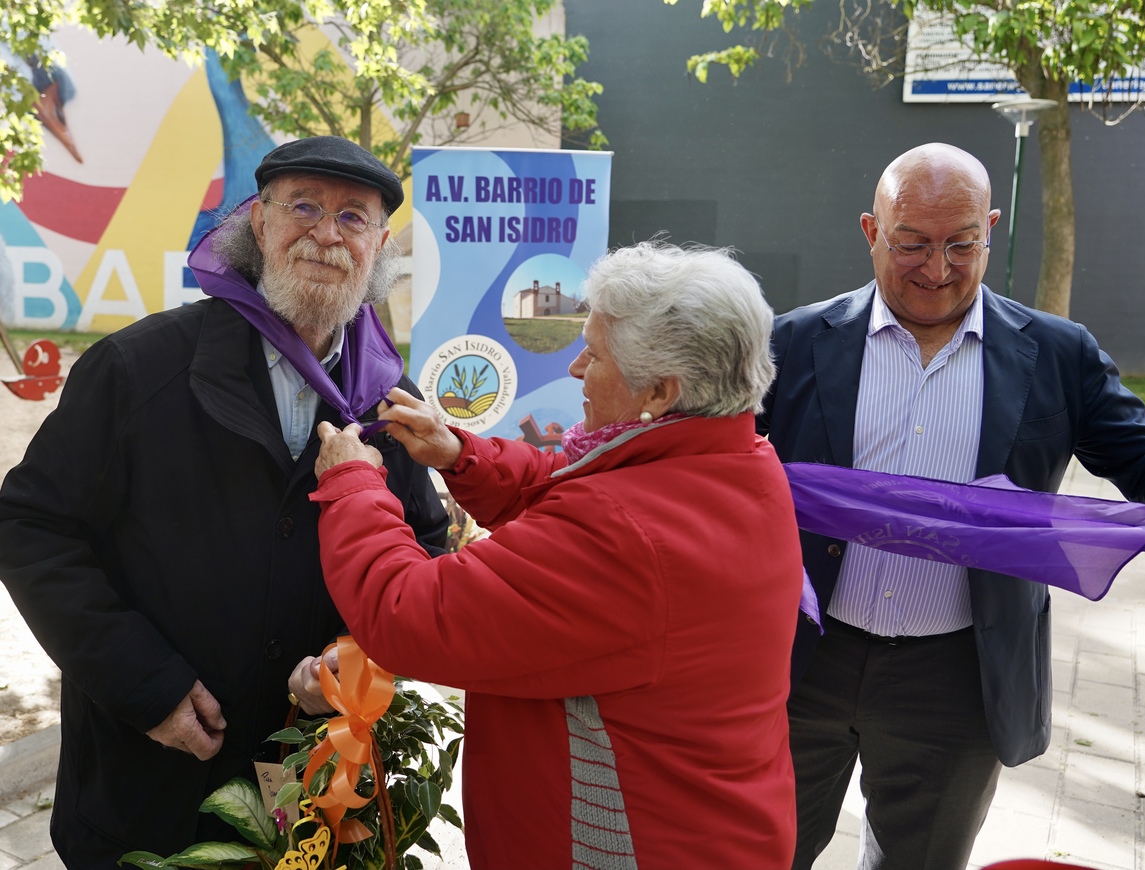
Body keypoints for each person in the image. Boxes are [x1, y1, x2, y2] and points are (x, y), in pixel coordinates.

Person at [0, 136, 448, 866]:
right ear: (259, 225)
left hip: (312, 790)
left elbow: (423, 557)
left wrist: (352, 660)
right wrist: (147, 686)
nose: (326, 233)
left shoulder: (393, 404)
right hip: (149, 783)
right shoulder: (138, 368)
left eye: (353, 218)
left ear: (380, 247)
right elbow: (30, 526)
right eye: (302, 206)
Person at [758, 141, 1145, 870]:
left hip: (958, 678)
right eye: (913, 245)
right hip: (803, 661)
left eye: (962, 244)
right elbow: (705, 455)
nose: (937, 270)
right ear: (871, 232)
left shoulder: (1058, 354)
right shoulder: (795, 342)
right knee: (761, 852)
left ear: (991, 227)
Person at [302, 241, 806, 869]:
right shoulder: (735, 464)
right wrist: (464, 455)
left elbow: (407, 613)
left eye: (593, 354)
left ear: (660, 389)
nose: (574, 369)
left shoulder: (627, 534)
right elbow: (575, 486)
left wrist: (352, 485)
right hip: (715, 827)